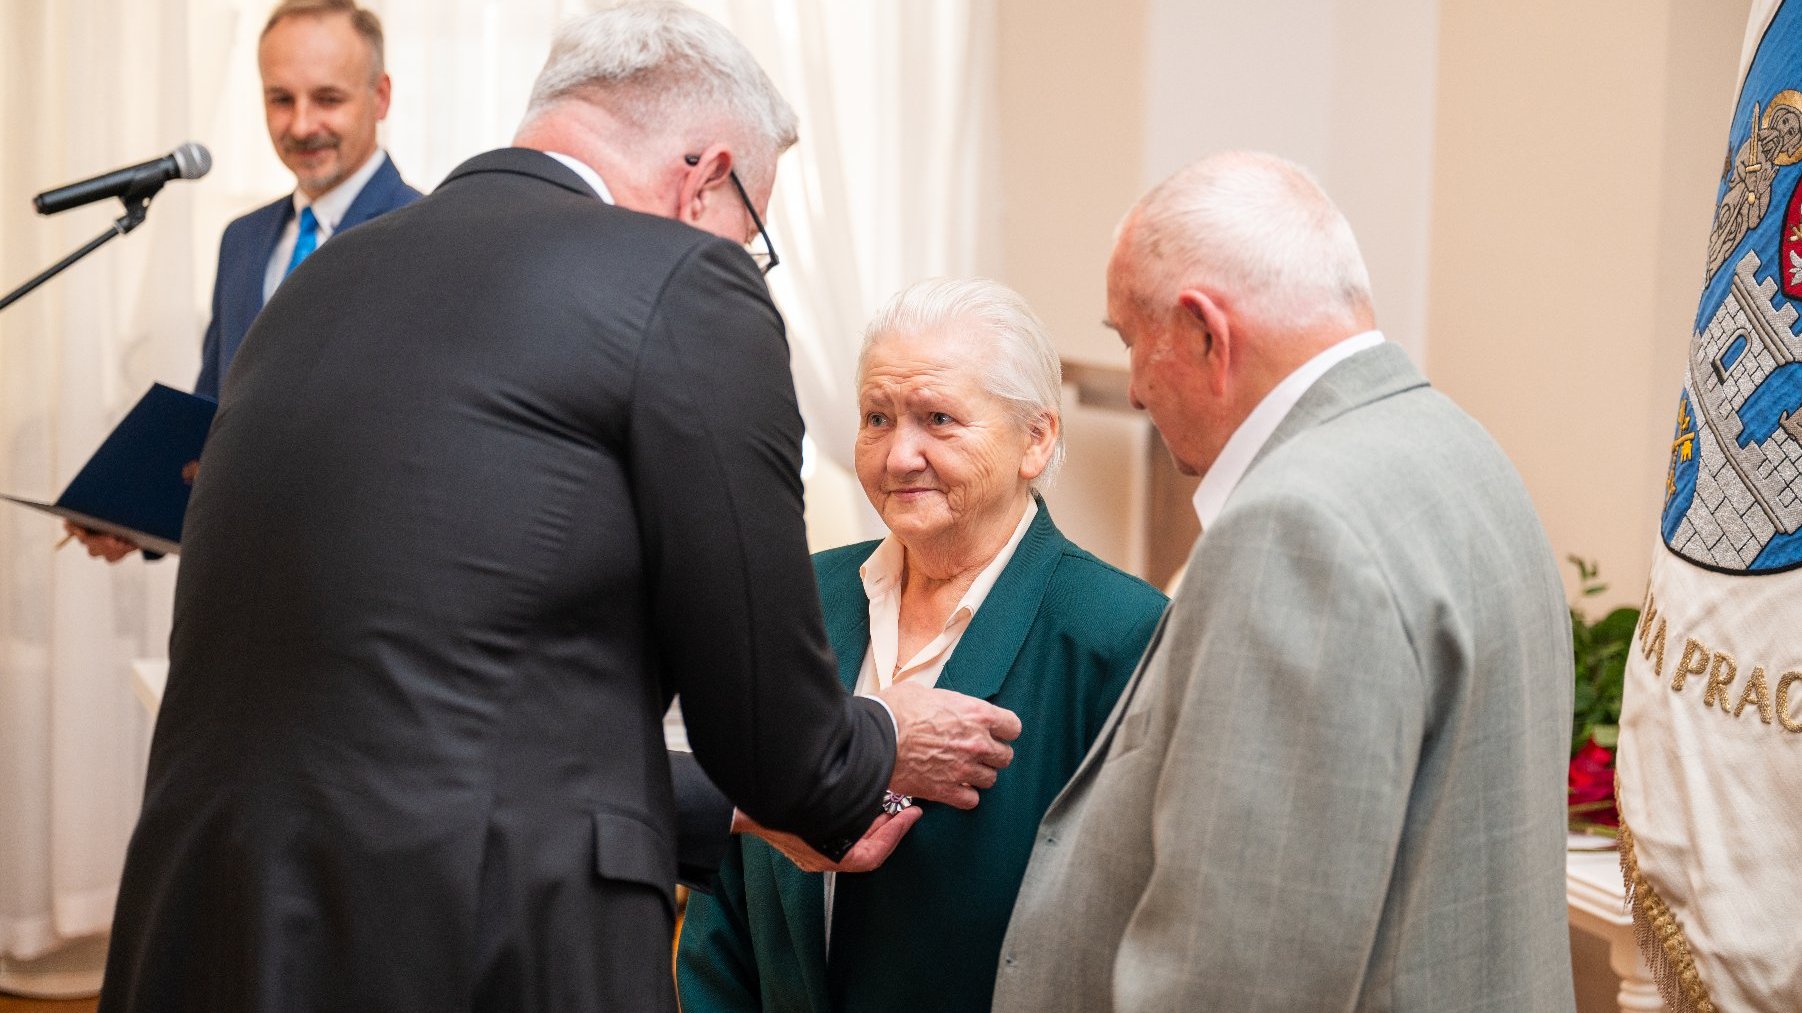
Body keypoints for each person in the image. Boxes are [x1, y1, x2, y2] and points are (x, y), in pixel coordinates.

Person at [98, 5, 1019, 1012]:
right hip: (466, 940)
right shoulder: (685, 282)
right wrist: (876, 737)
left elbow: (433, 703)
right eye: (751, 230)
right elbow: (776, 742)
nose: (741, 256)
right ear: (705, 176)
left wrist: (736, 810)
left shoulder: (316, 286)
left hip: (207, 920)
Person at [991, 152, 1577, 1012]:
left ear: (1203, 333)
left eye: (1129, 341)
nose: (1141, 392)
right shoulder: (1462, 449)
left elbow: (1244, 967)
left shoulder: (1297, 529)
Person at [676, 278, 1166, 1013]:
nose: (900, 454)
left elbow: (1135, 930)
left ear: (1036, 439)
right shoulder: (796, 599)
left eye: (938, 418)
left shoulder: (1121, 632)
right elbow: (726, 914)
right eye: (877, 417)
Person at [68, 0, 420, 562]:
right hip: (231, 588)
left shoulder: (429, 234)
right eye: (280, 99)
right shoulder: (244, 239)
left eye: (328, 98)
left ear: (380, 97)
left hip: (357, 587)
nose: (301, 125)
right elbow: (213, 419)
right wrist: (132, 517)